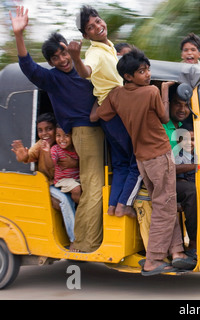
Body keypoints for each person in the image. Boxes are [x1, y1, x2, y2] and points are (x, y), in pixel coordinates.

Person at [9, 6, 104, 252]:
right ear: (51, 62)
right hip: (82, 131)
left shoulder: (86, 68)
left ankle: (89, 237)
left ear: (70, 48)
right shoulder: (52, 78)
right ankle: (84, 242)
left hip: (98, 130)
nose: (62, 60)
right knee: (93, 185)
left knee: (94, 184)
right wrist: (19, 35)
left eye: (64, 53)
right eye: (55, 59)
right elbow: (28, 66)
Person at [96, 48, 196, 275]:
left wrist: (128, 126)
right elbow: (164, 117)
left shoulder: (116, 95)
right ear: (129, 76)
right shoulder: (151, 91)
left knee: (163, 204)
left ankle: (177, 251)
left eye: (148, 70)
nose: (148, 74)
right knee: (166, 207)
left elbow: (99, 115)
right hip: (159, 156)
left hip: (141, 159)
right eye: (142, 71)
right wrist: (162, 90)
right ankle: (153, 259)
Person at [69, 5, 140, 217]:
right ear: (85, 34)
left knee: (120, 164)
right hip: (117, 114)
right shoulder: (95, 53)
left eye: (98, 21)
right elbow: (86, 72)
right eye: (91, 27)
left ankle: (112, 207)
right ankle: (124, 206)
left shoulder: (108, 47)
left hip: (110, 114)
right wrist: (75, 58)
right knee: (137, 159)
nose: (98, 27)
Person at [11, 113, 77, 243]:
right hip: (49, 184)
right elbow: (29, 155)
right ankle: (74, 239)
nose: (45, 133)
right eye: (40, 131)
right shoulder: (40, 144)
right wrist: (23, 157)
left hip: (66, 182)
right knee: (64, 201)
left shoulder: (64, 142)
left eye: (49, 129)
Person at [163, 86, 197, 257]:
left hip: (178, 177)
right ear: (168, 103)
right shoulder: (162, 127)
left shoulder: (185, 126)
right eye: (178, 104)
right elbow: (167, 167)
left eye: (186, 105)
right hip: (162, 180)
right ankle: (193, 242)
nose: (182, 109)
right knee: (192, 192)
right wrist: (197, 166)